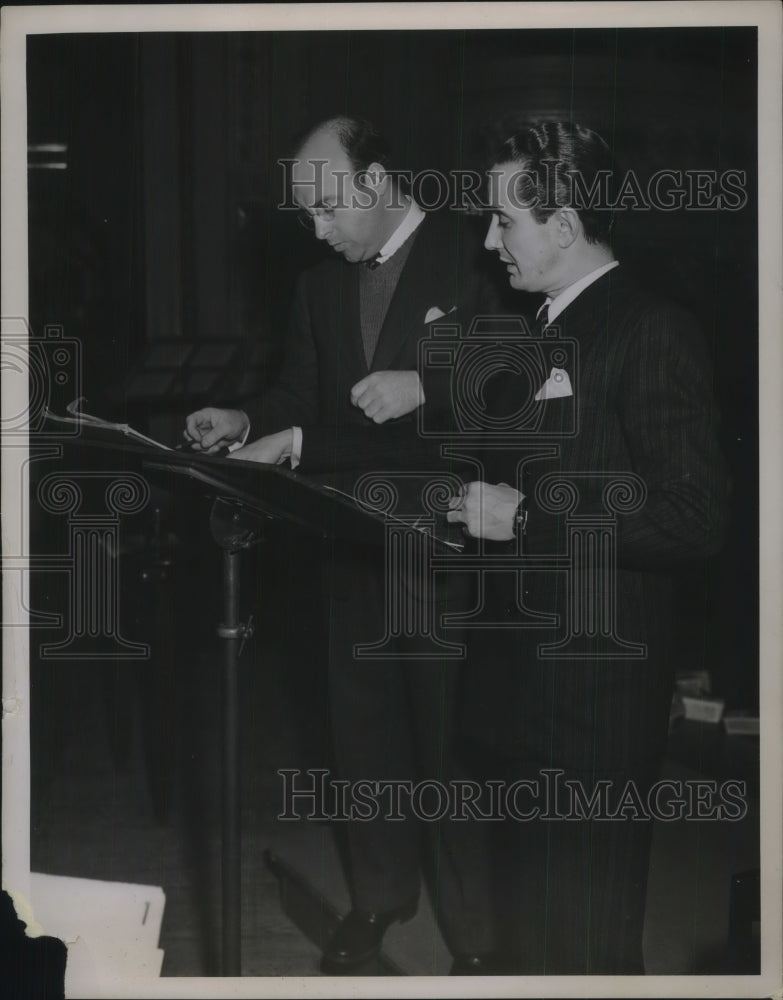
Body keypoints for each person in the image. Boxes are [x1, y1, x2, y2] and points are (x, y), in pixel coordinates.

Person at [184, 116, 499, 974]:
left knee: (448, 749)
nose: (316, 232)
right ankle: (378, 898)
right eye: (306, 217)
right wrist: (248, 419)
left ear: (374, 182)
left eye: (325, 211)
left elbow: (524, 383)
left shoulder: (482, 251)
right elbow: (300, 397)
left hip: (446, 547)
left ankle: (477, 939)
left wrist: (429, 385)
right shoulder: (320, 288)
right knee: (364, 743)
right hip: (347, 544)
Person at [444, 121, 730, 973]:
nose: (488, 240)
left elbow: (694, 516)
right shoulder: (535, 326)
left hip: (595, 705)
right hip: (524, 693)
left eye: (504, 222)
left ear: (563, 226)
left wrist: (528, 518)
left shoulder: (649, 328)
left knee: (589, 946)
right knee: (539, 938)